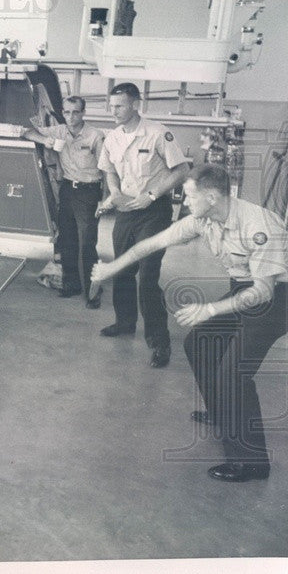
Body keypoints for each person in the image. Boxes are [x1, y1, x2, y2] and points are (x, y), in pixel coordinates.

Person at [91, 166, 288, 482]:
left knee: (233, 373)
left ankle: (253, 462)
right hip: (245, 288)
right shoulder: (206, 218)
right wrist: (111, 268)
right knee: (198, 344)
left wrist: (210, 309)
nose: (185, 203)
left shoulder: (257, 225)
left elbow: (263, 292)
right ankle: (222, 413)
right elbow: (152, 244)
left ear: (211, 197)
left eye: (189, 196)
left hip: (277, 298)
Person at [97, 82, 191, 367]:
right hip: (126, 211)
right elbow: (108, 170)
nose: (114, 111)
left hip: (153, 211)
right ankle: (125, 322)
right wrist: (114, 192)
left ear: (135, 104)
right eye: (112, 106)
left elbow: (182, 170)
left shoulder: (158, 133)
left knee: (148, 275)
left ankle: (159, 340)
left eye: (120, 106)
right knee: (123, 269)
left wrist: (151, 196)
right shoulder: (112, 137)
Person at [23, 96, 106, 306]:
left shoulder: (95, 136)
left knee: (87, 243)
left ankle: (93, 291)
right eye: (67, 112)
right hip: (68, 189)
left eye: (75, 112)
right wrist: (45, 140)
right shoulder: (59, 131)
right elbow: (25, 131)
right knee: (67, 240)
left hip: (89, 191)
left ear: (83, 113)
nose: (71, 117)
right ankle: (71, 285)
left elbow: (107, 170)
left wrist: (103, 200)